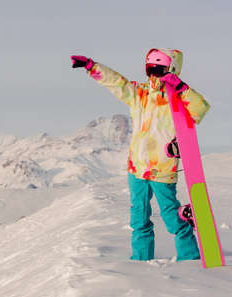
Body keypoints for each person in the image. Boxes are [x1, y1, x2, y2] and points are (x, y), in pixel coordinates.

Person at [71, 48, 210, 261]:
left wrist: (180, 88)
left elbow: (200, 110)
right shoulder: (139, 93)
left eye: (158, 69)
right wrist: (92, 67)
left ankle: (189, 259)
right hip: (136, 168)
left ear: (171, 70)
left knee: (171, 217)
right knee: (139, 220)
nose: (153, 74)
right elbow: (117, 83)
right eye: (150, 69)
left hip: (162, 169)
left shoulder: (178, 99)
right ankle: (141, 262)